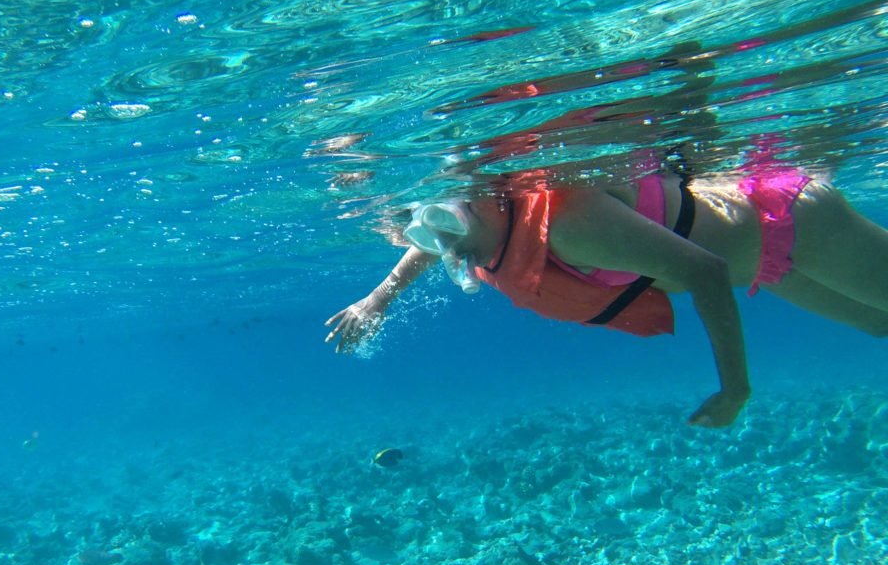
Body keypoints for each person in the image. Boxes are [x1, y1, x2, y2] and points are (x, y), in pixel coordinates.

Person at [324, 162, 888, 427]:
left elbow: (707, 273)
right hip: (771, 264)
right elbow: (433, 239)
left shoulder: (567, 222)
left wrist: (735, 389)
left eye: (442, 230)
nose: (447, 254)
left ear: (473, 198)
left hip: (793, 224)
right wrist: (377, 300)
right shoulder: (482, 225)